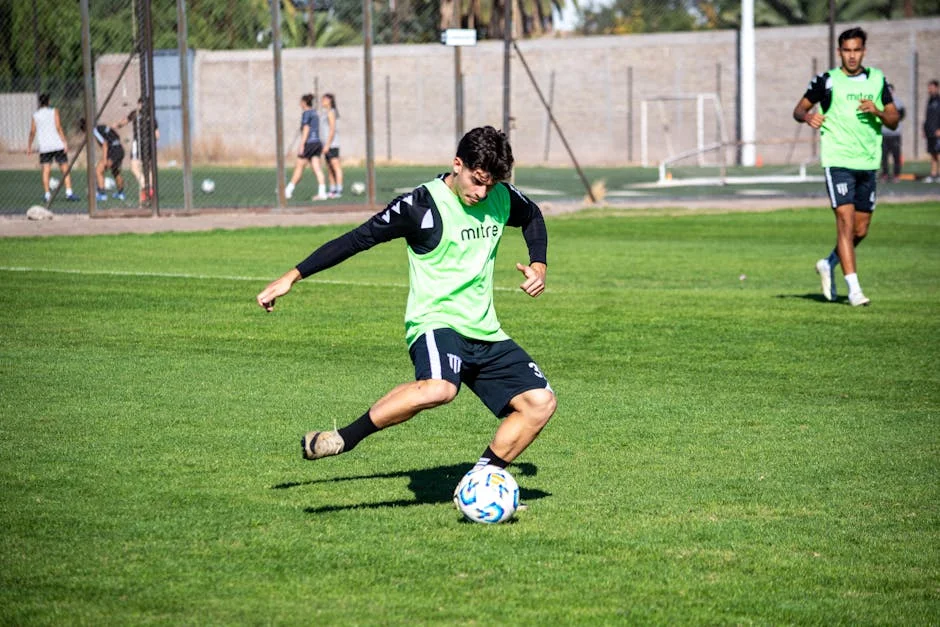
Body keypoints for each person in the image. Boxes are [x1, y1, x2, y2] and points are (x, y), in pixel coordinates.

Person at [256, 125, 556, 486]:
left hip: (484, 328)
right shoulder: (420, 206)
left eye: (490, 184)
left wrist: (538, 262)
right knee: (441, 388)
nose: (483, 192)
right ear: (457, 164)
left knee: (540, 403)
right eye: (477, 181)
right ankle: (344, 439)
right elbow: (358, 238)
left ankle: (478, 484)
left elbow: (533, 216)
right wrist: (293, 276)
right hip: (435, 322)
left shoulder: (500, 197)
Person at [793, 27, 899, 307]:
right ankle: (854, 290)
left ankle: (829, 263)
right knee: (845, 220)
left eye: (857, 50)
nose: (852, 56)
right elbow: (799, 109)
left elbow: (893, 119)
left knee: (860, 231)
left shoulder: (877, 79)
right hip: (838, 160)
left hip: (867, 162)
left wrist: (876, 110)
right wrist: (808, 117)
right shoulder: (827, 81)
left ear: (864, 51)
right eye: (847, 50)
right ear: (840, 52)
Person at [27, 93, 79, 203]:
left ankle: (47, 195)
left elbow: (32, 131)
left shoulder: (36, 115)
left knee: (46, 170)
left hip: (45, 146)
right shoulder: (54, 111)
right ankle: (69, 193)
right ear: (49, 102)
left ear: (40, 103)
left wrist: (29, 146)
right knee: (64, 169)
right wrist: (64, 142)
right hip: (57, 144)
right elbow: (58, 127)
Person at [115, 98, 159, 203]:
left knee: (134, 167)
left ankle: (145, 187)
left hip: (139, 143)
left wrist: (117, 125)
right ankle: (149, 190)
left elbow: (123, 122)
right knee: (149, 169)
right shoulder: (152, 117)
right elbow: (157, 135)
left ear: (140, 104)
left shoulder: (135, 114)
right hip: (150, 144)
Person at [285, 94, 327, 201]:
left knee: (299, 166)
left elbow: (306, 129)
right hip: (317, 143)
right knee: (317, 168)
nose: (300, 104)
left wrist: (302, 145)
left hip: (309, 143)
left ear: (304, 103)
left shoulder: (306, 113)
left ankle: (288, 191)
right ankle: (322, 193)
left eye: (300, 102)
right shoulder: (315, 113)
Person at [320, 93, 344, 198]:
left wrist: (328, 144)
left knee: (336, 166)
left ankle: (339, 190)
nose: (322, 101)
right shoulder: (325, 113)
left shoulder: (331, 112)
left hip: (332, 144)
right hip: (326, 144)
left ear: (330, 101)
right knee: (329, 167)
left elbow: (332, 129)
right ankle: (332, 189)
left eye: (324, 99)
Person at [880, 84, 904, 182]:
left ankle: (896, 175)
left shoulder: (898, 103)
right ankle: (885, 174)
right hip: (884, 134)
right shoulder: (880, 102)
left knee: (896, 156)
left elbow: (902, 115)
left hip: (895, 135)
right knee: (884, 156)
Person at [924, 79, 940, 183]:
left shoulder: (939, 100)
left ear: (937, 88)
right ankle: (933, 175)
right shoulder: (930, 100)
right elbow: (928, 117)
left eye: (931, 87)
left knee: (939, 153)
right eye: (929, 87)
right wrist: (924, 129)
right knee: (933, 154)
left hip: (938, 132)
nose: (929, 89)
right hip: (930, 132)